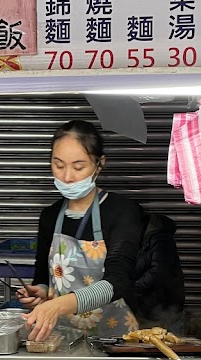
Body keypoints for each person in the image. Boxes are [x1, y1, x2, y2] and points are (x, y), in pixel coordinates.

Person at [19, 120, 144, 342]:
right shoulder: (49, 216)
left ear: (99, 164)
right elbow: (43, 278)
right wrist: (39, 291)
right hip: (61, 340)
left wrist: (59, 305)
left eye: (78, 167)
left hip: (115, 341)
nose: (67, 177)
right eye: (58, 165)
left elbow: (118, 281)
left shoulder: (122, 211)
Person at [133, 211, 186, 330]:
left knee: (159, 340)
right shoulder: (144, 240)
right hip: (150, 307)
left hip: (162, 307)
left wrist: (133, 288)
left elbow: (159, 272)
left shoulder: (161, 240)